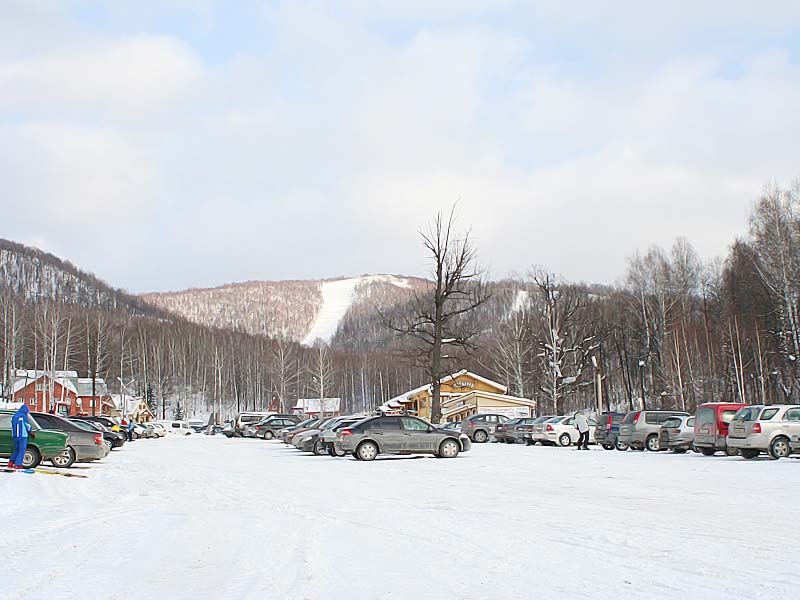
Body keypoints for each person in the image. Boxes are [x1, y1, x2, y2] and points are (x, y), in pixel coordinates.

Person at [9, 404, 33, 469]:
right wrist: (31, 431)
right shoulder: (23, 416)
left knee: (16, 449)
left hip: (15, 436)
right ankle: (18, 464)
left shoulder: (14, 416)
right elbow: (27, 425)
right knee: (22, 450)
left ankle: (11, 462)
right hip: (23, 435)